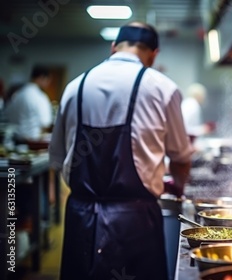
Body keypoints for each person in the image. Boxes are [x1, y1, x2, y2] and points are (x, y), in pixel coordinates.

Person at [48, 22, 194, 280]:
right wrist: (180, 190)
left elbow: (57, 157)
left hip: (81, 217)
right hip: (135, 220)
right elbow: (181, 157)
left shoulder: (74, 87)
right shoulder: (162, 87)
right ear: (154, 53)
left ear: (113, 47)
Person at [3, 65, 53, 141]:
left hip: (15, 140)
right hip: (33, 142)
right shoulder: (40, 97)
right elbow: (45, 122)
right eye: (48, 80)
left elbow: (8, 114)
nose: (48, 84)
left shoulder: (18, 94)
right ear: (42, 77)